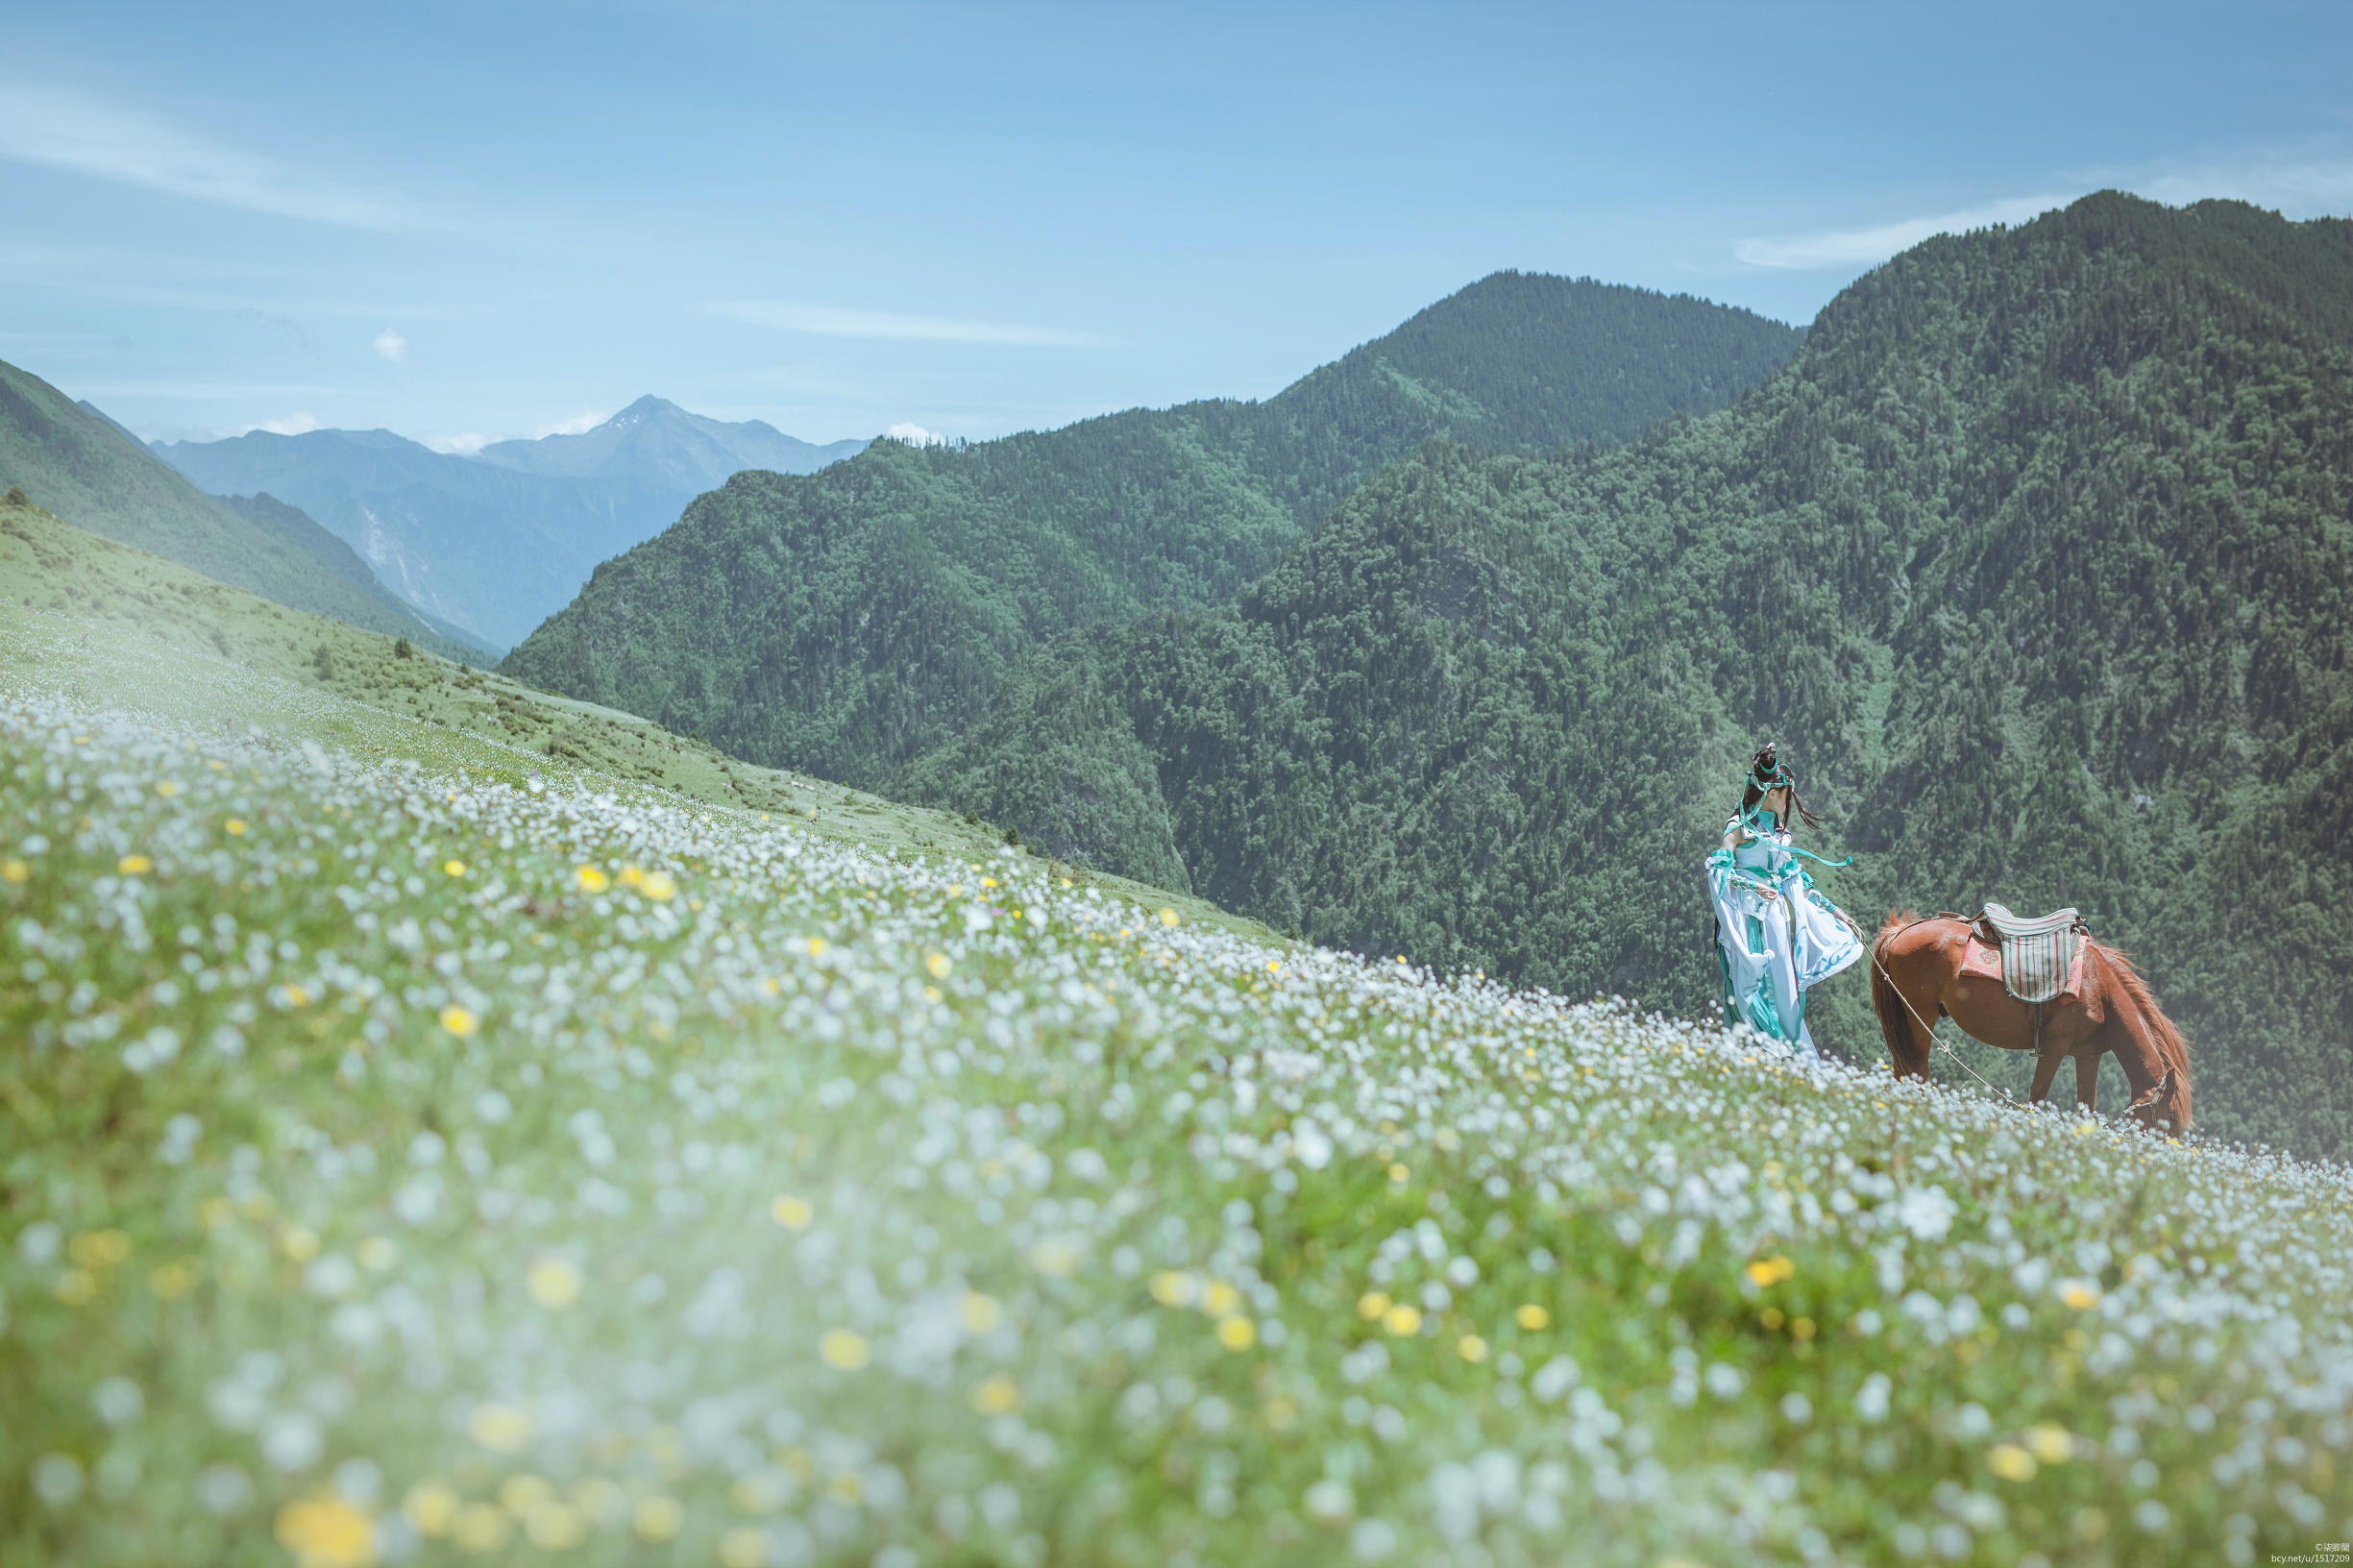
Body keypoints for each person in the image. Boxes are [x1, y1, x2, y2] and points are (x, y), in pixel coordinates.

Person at [1705, 743, 1862, 1052]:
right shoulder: (1738, 828)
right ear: (1772, 793)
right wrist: (1753, 886)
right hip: (1749, 920)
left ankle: (1790, 1053)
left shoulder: (1778, 833)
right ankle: (1760, 1050)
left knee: (1784, 987)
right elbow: (1718, 870)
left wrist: (1836, 912)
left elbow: (1797, 881)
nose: (1788, 801)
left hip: (1777, 919)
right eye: (1786, 794)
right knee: (1753, 986)